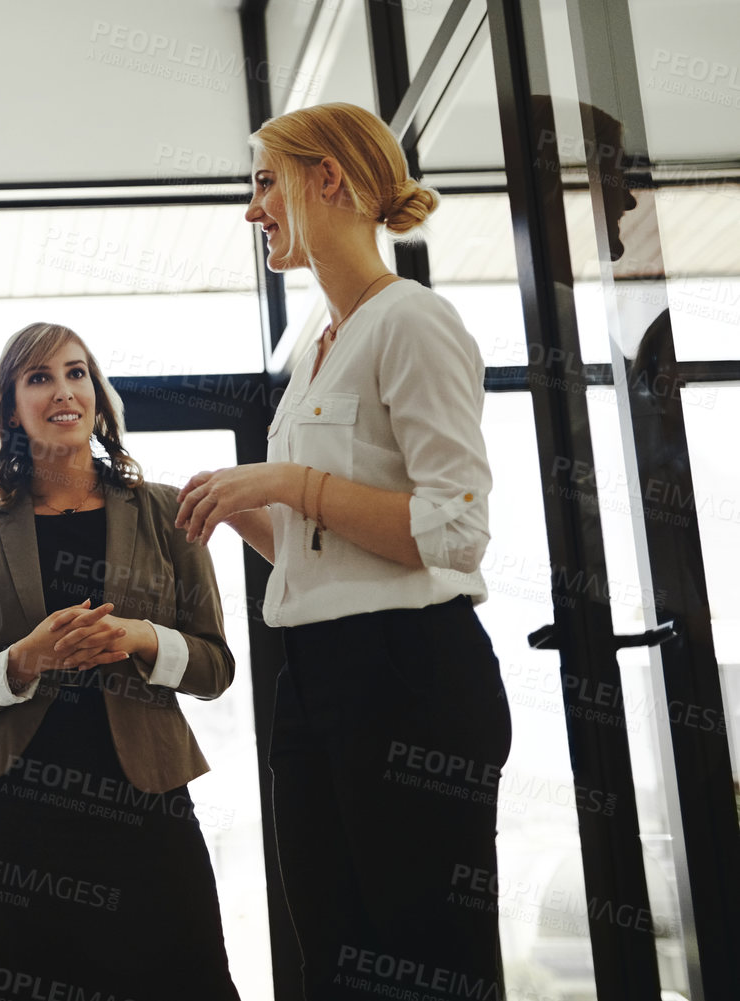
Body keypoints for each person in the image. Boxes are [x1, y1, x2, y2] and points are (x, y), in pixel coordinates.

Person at [174, 102, 509, 1001]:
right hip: (312, 676)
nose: (253, 211)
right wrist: (220, 501)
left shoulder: (411, 321)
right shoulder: (319, 350)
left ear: (327, 179)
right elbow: (311, 548)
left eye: (263, 184)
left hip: (407, 674)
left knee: (426, 965)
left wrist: (286, 483)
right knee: (336, 965)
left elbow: (452, 530)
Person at [0, 322, 241, 1001]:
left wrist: (139, 636)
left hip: (147, 798)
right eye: (38, 378)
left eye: (75, 373)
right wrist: (24, 657)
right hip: (17, 813)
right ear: (10, 408)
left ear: (98, 398)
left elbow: (214, 666)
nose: (62, 390)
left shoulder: (165, 512)